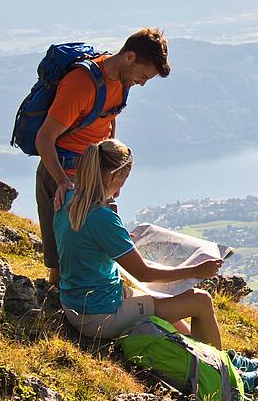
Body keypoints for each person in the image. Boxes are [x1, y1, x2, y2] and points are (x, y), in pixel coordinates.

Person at [54, 138, 227, 344]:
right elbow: (144, 274)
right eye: (123, 180)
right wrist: (196, 270)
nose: (119, 191)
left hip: (80, 301)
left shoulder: (67, 197)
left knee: (168, 309)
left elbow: (84, 244)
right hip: (99, 315)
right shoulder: (102, 218)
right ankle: (220, 364)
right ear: (115, 175)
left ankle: (195, 348)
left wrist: (118, 241)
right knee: (201, 301)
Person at [36, 27, 170, 287]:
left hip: (94, 176)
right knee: (62, 263)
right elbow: (44, 138)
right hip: (63, 175)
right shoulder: (82, 84)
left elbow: (108, 120)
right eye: (143, 76)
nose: (142, 83)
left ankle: (87, 304)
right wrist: (62, 182)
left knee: (97, 256)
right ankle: (55, 307)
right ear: (129, 58)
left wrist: (112, 173)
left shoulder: (120, 82)